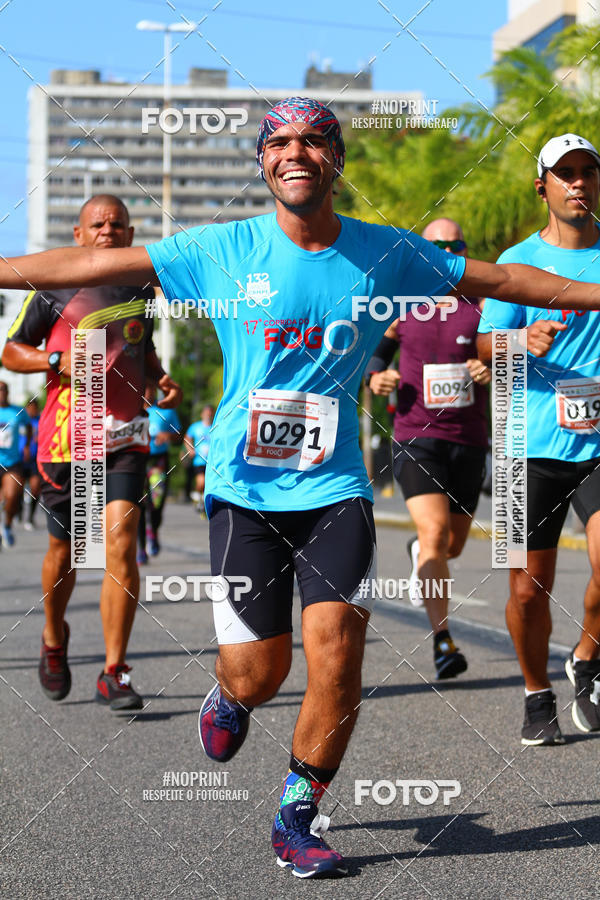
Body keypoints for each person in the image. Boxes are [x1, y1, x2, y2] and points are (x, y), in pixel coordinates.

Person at [1, 103, 600, 878]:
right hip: (245, 491)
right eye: (279, 142)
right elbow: (86, 269)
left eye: (313, 141)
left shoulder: (383, 254)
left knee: (338, 648)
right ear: (262, 162)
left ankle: (298, 812)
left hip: (336, 488)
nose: (296, 153)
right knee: (261, 673)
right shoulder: (224, 247)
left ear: (335, 159)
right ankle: (230, 696)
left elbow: (509, 278)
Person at [1, 195, 181, 711]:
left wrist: (160, 376)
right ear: (79, 234)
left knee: (121, 541)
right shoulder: (54, 285)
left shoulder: (141, 288)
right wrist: (54, 359)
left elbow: (137, 347)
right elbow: (11, 352)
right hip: (66, 441)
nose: (108, 230)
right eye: (97, 224)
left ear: (129, 234)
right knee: (65, 553)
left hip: (125, 436)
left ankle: (114, 671)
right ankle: (54, 638)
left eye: (118, 224)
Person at [477, 133, 600, 746]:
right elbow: (482, 348)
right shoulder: (517, 260)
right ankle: (535, 690)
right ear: (543, 186)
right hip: (528, 444)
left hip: (599, 442)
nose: (579, 183)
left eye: (588, 172)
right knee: (527, 590)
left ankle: (586, 655)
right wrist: (519, 344)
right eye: (566, 174)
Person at [366, 218, 490, 680]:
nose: (444, 250)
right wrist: (376, 377)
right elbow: (376, 354)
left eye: (453, 244)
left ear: (462, 248)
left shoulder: (480, 304)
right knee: (437, 536)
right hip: (416, 436)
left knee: (451, 546)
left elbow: (502, 352)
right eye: (434, 245)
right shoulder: (405, 304)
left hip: (469, 441)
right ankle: (443, 641)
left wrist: (487, 367)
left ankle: (423, 549)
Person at [137, 384, 182, 564]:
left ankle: (153, 531)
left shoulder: (166, 411)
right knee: (139, 505)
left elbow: (179, 434)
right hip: (138, 460)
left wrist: (169, 436)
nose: (148, 391)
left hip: (158, 460)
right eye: (145, 387)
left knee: (156, 502)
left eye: (151, 388)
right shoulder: (132, 410)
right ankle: (141, 549)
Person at [0, 380, 30, 547]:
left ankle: (8, 525)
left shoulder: (17, 411)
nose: (2, 392)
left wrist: (26, 445)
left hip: (12, 462)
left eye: (4, 389)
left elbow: (28, 426)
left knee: (12, 495)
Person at [182, 404, 214, 515]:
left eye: (210, 413)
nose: (208, 415)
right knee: (201, 481)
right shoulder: (195, 427)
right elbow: (187, 438)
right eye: (206, 413)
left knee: (209, 484)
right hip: (199, 460)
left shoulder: (215, 427)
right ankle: (197, 494)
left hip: (212, 461)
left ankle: (201, 501)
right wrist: (190, 449)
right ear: (202, 414)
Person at [19, 398, 42, 530]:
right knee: (18, 488)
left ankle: (30, 518)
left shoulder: (41, 420)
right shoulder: (21, 420)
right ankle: (19, 509)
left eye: (35, 407)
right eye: (30, 407)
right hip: (21, 460)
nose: (32, 410)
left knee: (35, 487)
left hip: (35, 460)